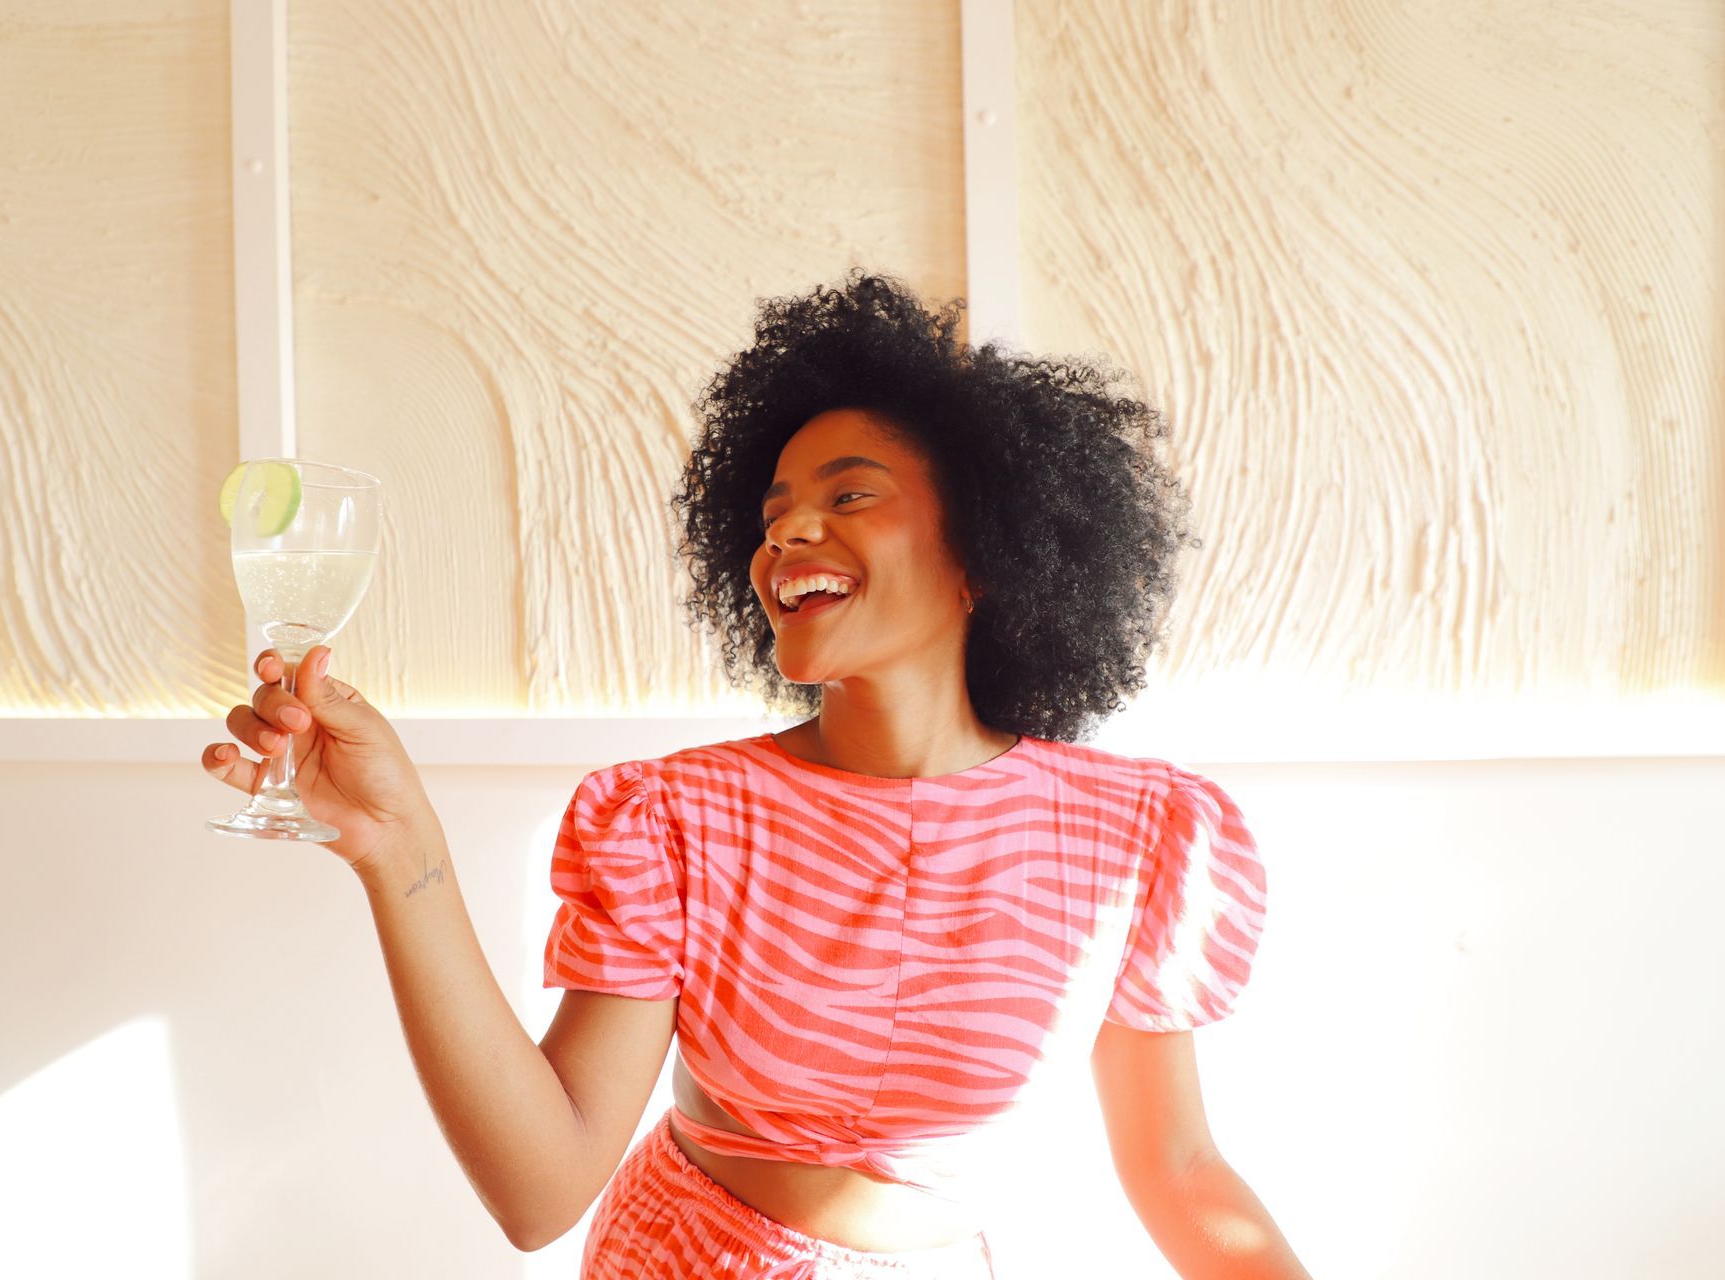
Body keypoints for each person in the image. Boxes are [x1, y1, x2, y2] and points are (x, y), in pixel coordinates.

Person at [202, 270, 1310, 1278]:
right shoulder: (677, 816)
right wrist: (399, 846)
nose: (788, 535)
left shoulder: (1140, 835)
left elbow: (1181, 1171)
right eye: (772, 513)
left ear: (985, 551)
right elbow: (540, 1190)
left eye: (850, 494)